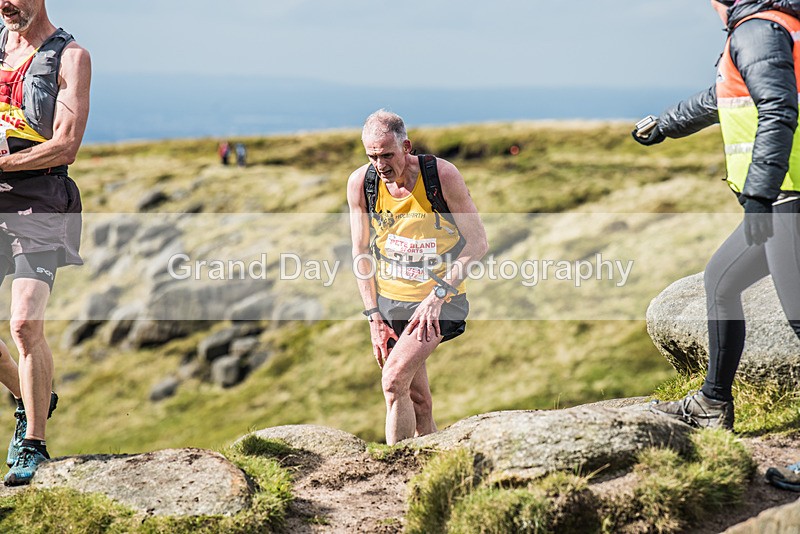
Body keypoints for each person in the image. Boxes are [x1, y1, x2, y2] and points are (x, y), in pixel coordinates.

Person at [633, 0, 800, 486]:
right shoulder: (773, 27)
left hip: (786, 197)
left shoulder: (757, 29)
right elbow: (723, 96)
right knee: (721, 282)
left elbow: (777, 108)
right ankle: (711, 403)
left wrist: (758, 195)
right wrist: (665, 124)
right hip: (781, 196)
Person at [347, 110, 488, 445]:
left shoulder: (441, 176)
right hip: (390, 304)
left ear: (406, 146)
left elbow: (478, 243)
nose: (379, 165)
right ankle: (432, 470)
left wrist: (436, 297)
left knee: (394, 381)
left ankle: (393, 471)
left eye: (386, 155)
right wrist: (373, 317)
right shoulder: (361, 183)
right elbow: (361, 252)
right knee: (418, 400)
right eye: (372, 156)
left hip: (441, 302)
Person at [0, 0, 91, 485]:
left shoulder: (70, 56)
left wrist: (6, 164)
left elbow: (66, 144)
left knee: (23, 325)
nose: (4, 3)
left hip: (41, 201)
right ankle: (29, 393)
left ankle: (32, 443)